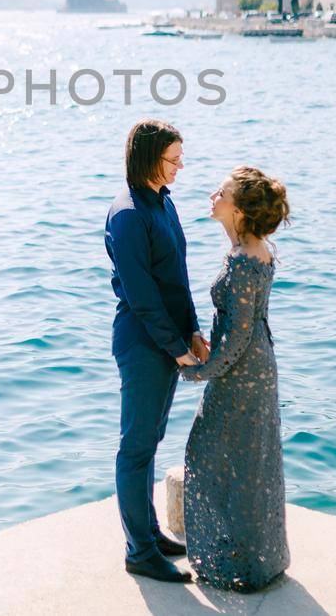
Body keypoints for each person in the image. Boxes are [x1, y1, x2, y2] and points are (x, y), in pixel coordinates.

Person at [178, 166, 292, 593]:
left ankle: (240, 561)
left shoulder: (246, 258)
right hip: (251, 366)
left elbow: (239, 336)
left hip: (244, 372)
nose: (213, 195)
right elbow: (238, 328)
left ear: (239, 209)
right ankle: (252, 554)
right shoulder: (248, 248)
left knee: (215, 454)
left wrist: (198, 371)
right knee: (246, 461)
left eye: (221, 192)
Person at [105, 119, 209, 583]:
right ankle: (139, 552)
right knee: (135, 448)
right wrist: (174, 348)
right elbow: (142, 295)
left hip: (167, 341)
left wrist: (191, 333)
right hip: (143, 344)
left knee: (150, 443)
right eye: (173, 159)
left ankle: (149, 534)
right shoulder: (128, 214)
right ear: (149, 159)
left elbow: (177, 278)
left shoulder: (163, 203)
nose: (180, 166)